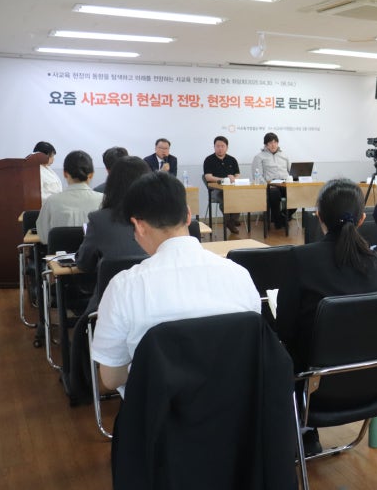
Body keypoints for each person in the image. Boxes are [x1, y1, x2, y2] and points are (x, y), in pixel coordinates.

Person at [91, 172, 261, 397]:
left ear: (138, 226)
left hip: (158, 413)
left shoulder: (124, 287)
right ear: (188, 215)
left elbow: (111, 379)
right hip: (235, 408)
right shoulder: (239, 275)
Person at [276, 178, 377, 454]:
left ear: (318, 216)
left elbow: (285, 330)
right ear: (362, 218)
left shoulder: (300, 259)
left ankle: (302, 433)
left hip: (317, 385)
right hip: (376, 381)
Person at [69, 156, 151, 402]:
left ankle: (88, 385)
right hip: (154, 301)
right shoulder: (158, 218)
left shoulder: (100, 219)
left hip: (108, 306)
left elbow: (83, 263)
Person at [36, 150, 103, 244]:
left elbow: (44, 237)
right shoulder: (104, 200)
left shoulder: (51, 201)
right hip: (95, 253)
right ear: (91, 175)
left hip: (59, 252)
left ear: (65, 173)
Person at [252, 132, 292, 229]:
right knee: (274, 193)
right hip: (271, 185)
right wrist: (267, 185)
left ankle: (281, 216)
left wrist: (293, 180)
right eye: (270, 143)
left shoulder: (284, 155)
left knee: (297, 194)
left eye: (275, 142)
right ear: (266, 144)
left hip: (285, 183)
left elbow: (291, 171)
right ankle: (278, 220)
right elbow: (257, 175)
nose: (273, 145)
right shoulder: (259, 157)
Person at [203, 135, 241, 234]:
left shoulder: (232, 159)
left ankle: (231, 221)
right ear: (214, 147)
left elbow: (237, 174)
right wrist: (224, 180)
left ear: (227, 147)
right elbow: (208, 177)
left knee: (240, 196)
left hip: (231, 189)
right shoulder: (209, 160)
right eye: (217, 146)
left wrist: (234, 179)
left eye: (222, 146)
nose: (220, 148)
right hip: (215, 190)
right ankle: (230, 221)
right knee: (224, 197)